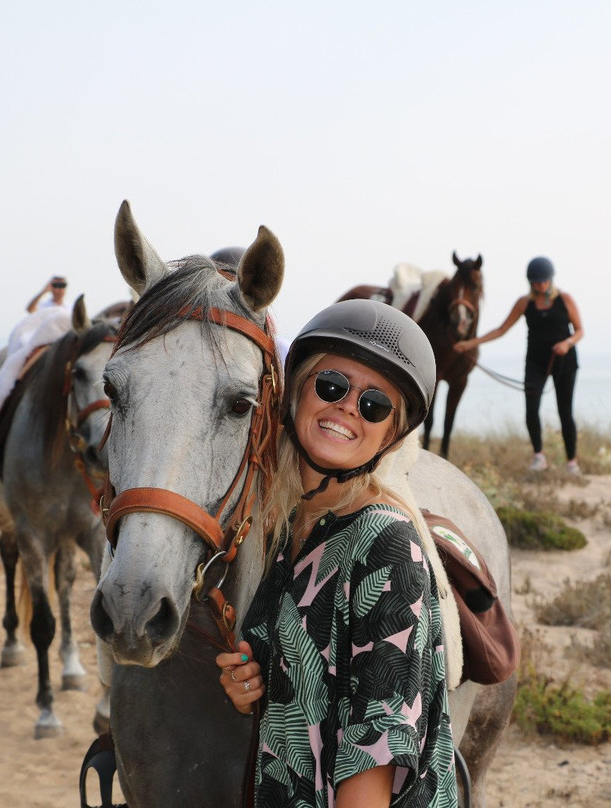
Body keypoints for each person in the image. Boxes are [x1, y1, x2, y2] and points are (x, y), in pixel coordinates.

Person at [216, 300, 459, 808]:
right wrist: (254, 681)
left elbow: (377, 749)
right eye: (332, 385)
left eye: (374, 405)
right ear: (297, 392)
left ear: (390, 434)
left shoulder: (386, 544)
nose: (349, 406)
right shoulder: (289, 526)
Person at [454, 255, 584, 473]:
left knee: (565, 412)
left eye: (543, 280)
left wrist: (567, 343)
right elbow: (501, 330)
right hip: (535, 361)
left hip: (564, 361)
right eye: (535, 281)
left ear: (550, 279)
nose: (540, 285)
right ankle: (538, 457)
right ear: (530, 281)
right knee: (531, 409)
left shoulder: (565, 299)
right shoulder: (525, 303)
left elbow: (580, 331)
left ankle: (572, 462)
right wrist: (470, 344)